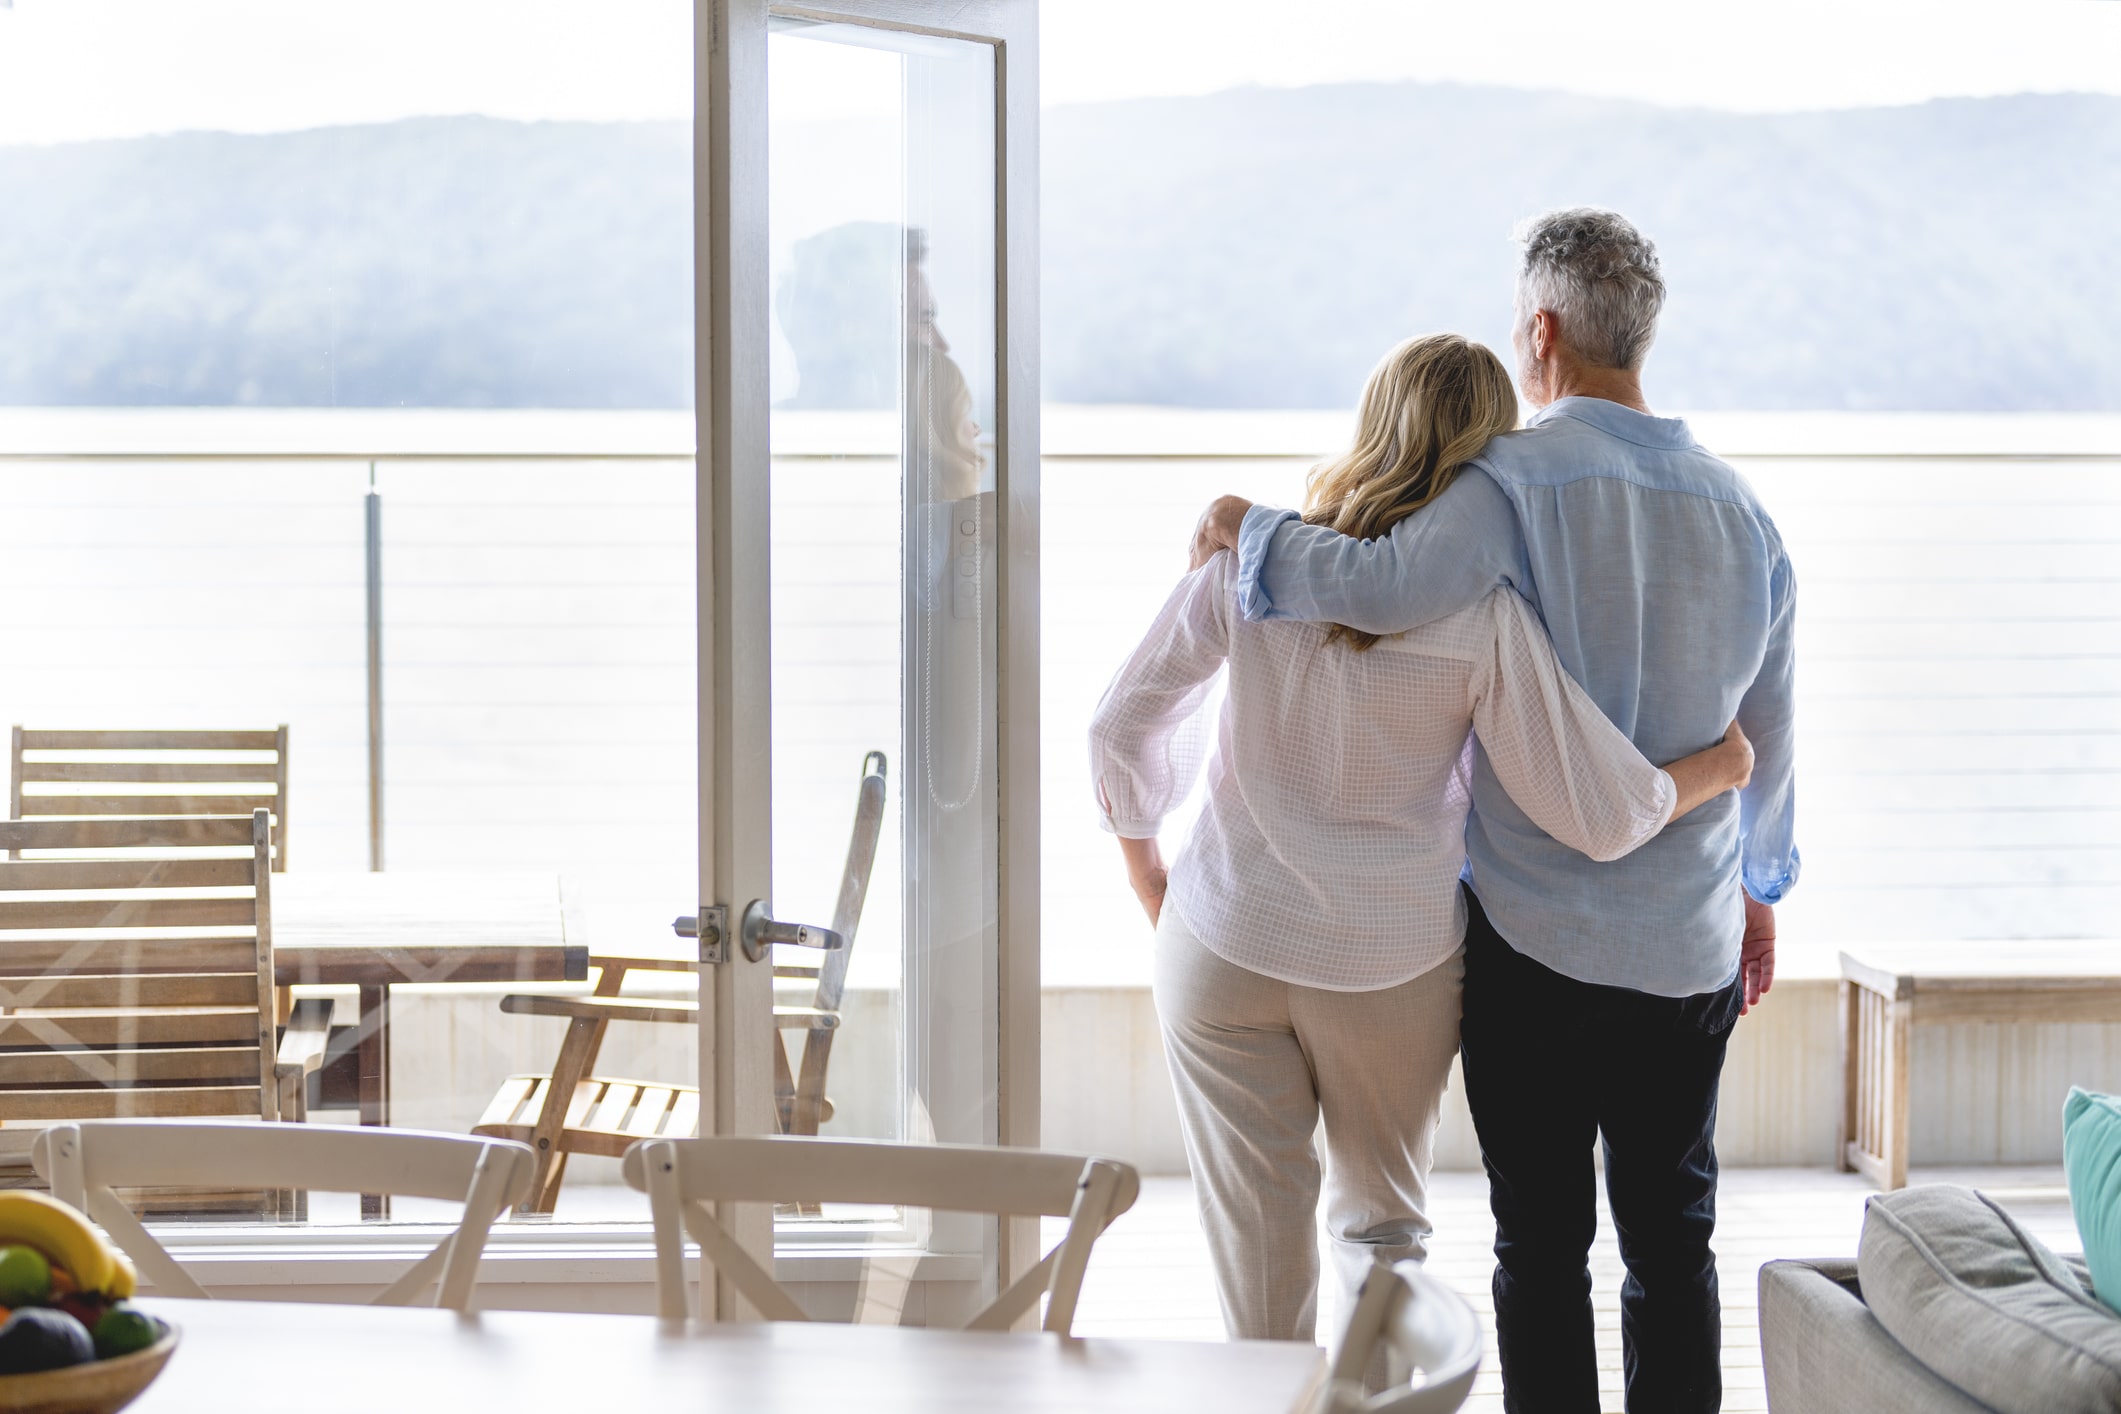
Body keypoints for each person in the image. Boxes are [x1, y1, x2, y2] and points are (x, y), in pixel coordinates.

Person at [1189, 209, 1798, 1414]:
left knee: (1542, 1249)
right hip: (1688, 942)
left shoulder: (1510, 479)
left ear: (1542, 330)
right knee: (1675, 1239)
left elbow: (1387, 583)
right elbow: (1764, 737)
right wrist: (1759, 890)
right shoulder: (1747, 515)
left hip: (1533, 946)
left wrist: (1247, 533)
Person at [1089, 332, 1756, 1364]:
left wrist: (1150, 876)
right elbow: (1595, 808)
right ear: (1485, 463)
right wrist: (1722, 767)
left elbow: (1121, 725)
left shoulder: (1253, 569)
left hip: (1223, 944)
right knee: (1381, 1235)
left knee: (1255, 1257)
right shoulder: (1483, 617)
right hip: (1388, 969)